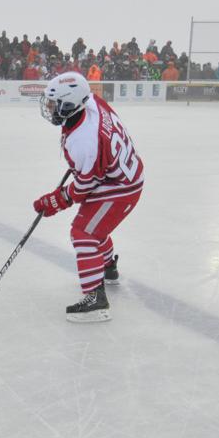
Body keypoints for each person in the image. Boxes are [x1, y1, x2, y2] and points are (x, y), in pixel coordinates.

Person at [32, 72, 144, 322]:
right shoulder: (91, 101)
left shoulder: (84, 141)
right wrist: (83, 164)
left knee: (83, 232)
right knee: (95, 227)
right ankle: (107, 267)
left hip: (121, 187)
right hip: (122, 175)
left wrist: (56, 200)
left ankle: (95, 300)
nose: (49, 108)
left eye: (54, 103)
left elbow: (85, 186)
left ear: (70, 103)